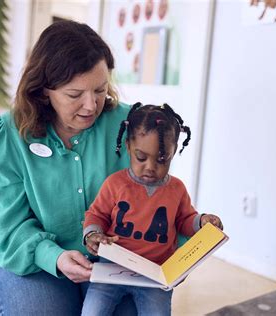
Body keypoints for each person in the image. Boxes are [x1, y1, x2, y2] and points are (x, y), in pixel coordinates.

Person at [0, 20, 137, 315]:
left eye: (100, 90)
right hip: (39, 260)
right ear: (44, 91)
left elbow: (156, 197)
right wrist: (54, 257)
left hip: (116, 263)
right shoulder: (9, 135)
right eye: (74, 94)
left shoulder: (130, 125)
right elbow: (10, 227)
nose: (91, 105)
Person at [81, 103, 223, 316]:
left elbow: (185, 219)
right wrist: (92, 234)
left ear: (174, 152)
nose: (150, 166)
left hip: (155, 275)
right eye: (141, 157)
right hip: (112, 268)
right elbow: (96, 214)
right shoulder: (115, 184)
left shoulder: (176, 189)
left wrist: (201, 221)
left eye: (162, 159)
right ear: (128, 146)